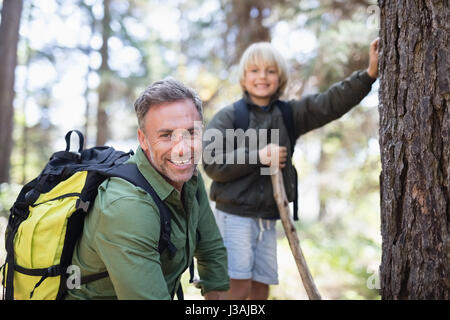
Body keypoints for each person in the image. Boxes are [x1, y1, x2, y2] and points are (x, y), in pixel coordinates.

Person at [203, 39, 379, 300]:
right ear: (243, 77)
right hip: (234, 217)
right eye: (254, 70)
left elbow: (329, 103)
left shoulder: (289, 115)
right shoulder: (229, 117)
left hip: (269, 217)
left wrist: (368, 76)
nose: (262, 77)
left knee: (260, 290)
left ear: (280, 77)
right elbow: (212, 162)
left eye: (270, 71)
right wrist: (259, 156)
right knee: (236, 289)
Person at [66, 78, 229, 300]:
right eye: (166, 135)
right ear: (143, 140)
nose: (182, 149)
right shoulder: (127, 206)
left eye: (191, 132)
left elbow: (211, 250)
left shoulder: (190, 179)